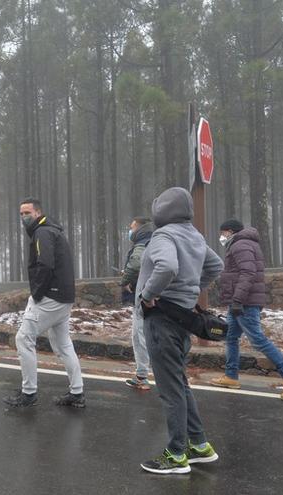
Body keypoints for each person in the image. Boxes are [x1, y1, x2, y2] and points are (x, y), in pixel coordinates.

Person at [135, 187, 224, 474]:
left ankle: (176, 455)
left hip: (162, 320)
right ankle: (199, 446)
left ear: (161, 210)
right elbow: (215, 265)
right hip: (182, 319)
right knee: (180, 384)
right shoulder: (193, 234)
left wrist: (147, 296)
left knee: (171, 390)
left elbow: (167, 266)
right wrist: (192, 289)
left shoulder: (164, 235)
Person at [209, 219, 283, 400]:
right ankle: (231, 376)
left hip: (244, 302)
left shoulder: (240, 245)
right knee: (230, 337)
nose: (221, 237)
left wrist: (237, 300)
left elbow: (248, 273)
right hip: (238, 301)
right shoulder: (243, 244)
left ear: (229, 231)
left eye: (222, 233)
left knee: (258, 339)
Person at [3, 198, 84, 408]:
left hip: (51, 297)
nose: (23, 217)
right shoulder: (53, 231)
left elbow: (45, 265)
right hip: (64, 297)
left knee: (23, 339)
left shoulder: (43, 233)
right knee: (63, 344)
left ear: (38, 213)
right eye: (21, 214)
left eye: (27, 213)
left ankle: (28, 394)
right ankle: (77, 393)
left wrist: (37, 294)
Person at [121, 216, 155, 390]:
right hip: (156, 295)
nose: (130, 230)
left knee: (139, 335)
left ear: (140, 228)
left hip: (143, 295)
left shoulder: (142, 242)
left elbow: (135, 265)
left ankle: (142, 375)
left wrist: (125, 280)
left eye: (132, 227)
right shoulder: (155, 240)